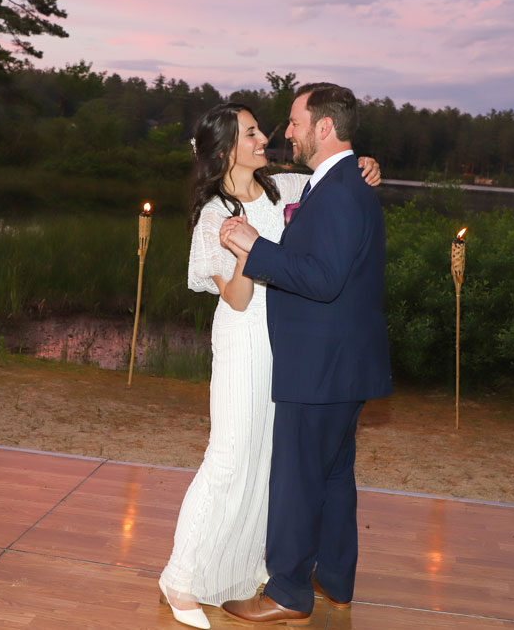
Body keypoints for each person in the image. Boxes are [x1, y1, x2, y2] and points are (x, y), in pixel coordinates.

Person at [158, 102, 381, 629]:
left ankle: (248, 567)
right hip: (244, 345)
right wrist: (242, 251)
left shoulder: (283, 186)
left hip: (290, 345)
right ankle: (180, 576)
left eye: (262, 129)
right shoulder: (213, 213)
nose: (266, 138)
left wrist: (367, 164)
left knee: (269, 462)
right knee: (230, 457)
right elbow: (236, 299)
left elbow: (334, 179)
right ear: (225, 149)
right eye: (252, 132)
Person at [219, 83, 392, 625]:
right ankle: (335, 579)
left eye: (294, 122)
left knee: (296, 479)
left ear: (322, 127)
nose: (284, 132)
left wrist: (254, 247)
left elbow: (322, 280)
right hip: (341, 365)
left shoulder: (340, 191)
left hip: (320, 368)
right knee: (335, 476)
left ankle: (289, 592)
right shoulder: (336, 183)